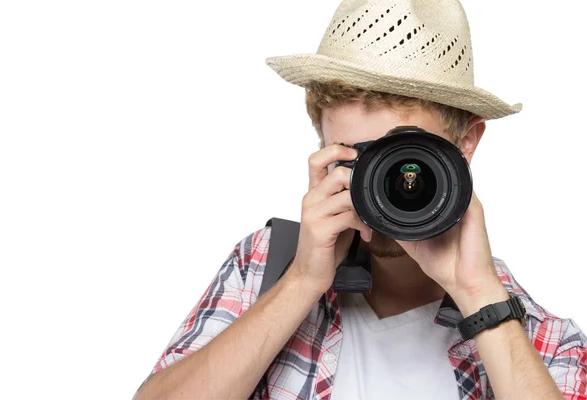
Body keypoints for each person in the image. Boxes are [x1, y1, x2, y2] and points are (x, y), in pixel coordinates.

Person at [133, 0, 587, 399]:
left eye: (404, 157)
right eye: (357, 158)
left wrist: (479, 295)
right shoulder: (264, 269)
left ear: (465, 143)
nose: (385, 183)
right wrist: (302, 283)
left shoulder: (541, 342)